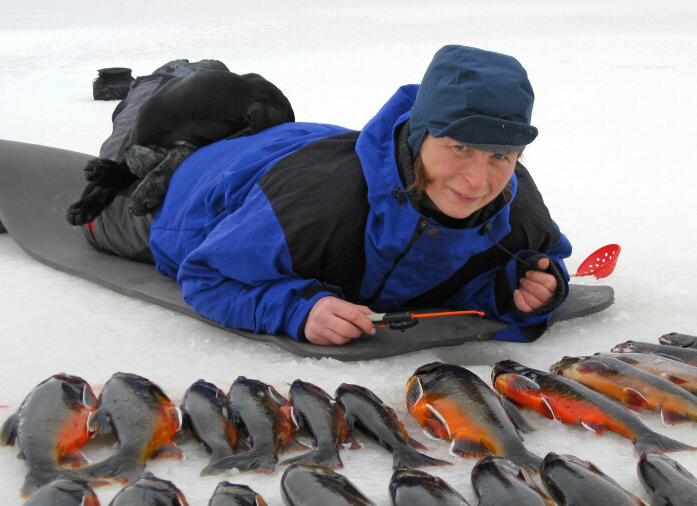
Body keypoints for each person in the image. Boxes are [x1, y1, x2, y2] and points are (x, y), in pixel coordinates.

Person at [118, 46, 573, 345]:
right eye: (460, 148)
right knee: (126, 156)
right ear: (419, 137)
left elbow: (541, 257)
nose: (477, 181)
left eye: (500, 156)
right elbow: (206, 274)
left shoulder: (517, 207)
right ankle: (162, 80)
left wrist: (524, 285)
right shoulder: (315, 211)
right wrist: (297, 311)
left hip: (302, 144)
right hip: (197, 188)